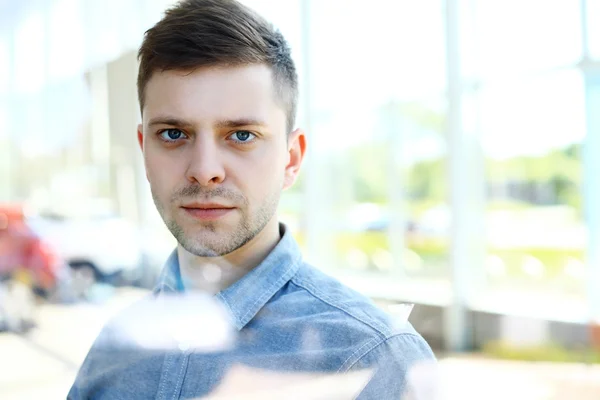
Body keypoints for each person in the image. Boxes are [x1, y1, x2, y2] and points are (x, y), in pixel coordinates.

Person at [68, 0, 435, 398]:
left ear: (290, 159)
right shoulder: (115, 348)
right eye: (174, 134)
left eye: (241, 135)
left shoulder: (375, 357)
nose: (205, 169)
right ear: (144, 150)